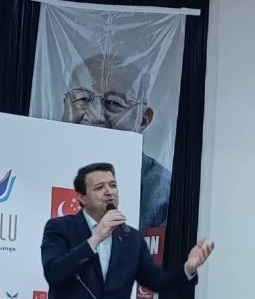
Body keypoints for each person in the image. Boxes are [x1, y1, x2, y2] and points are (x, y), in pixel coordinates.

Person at [37, 162, 214, 299]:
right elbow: (54, 272)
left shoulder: (132, 238)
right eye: (99, 187)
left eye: (113, 185)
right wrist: (95, 238)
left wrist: (188, 268)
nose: (109, 192)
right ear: (81, 197)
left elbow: (157, 281)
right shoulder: (60, 228)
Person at [61, 55, 172, 230]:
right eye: (83, 99)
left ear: (143, 119)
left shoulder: (165, 192)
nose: (95, 115)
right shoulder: (39, 169)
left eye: (113, 102)